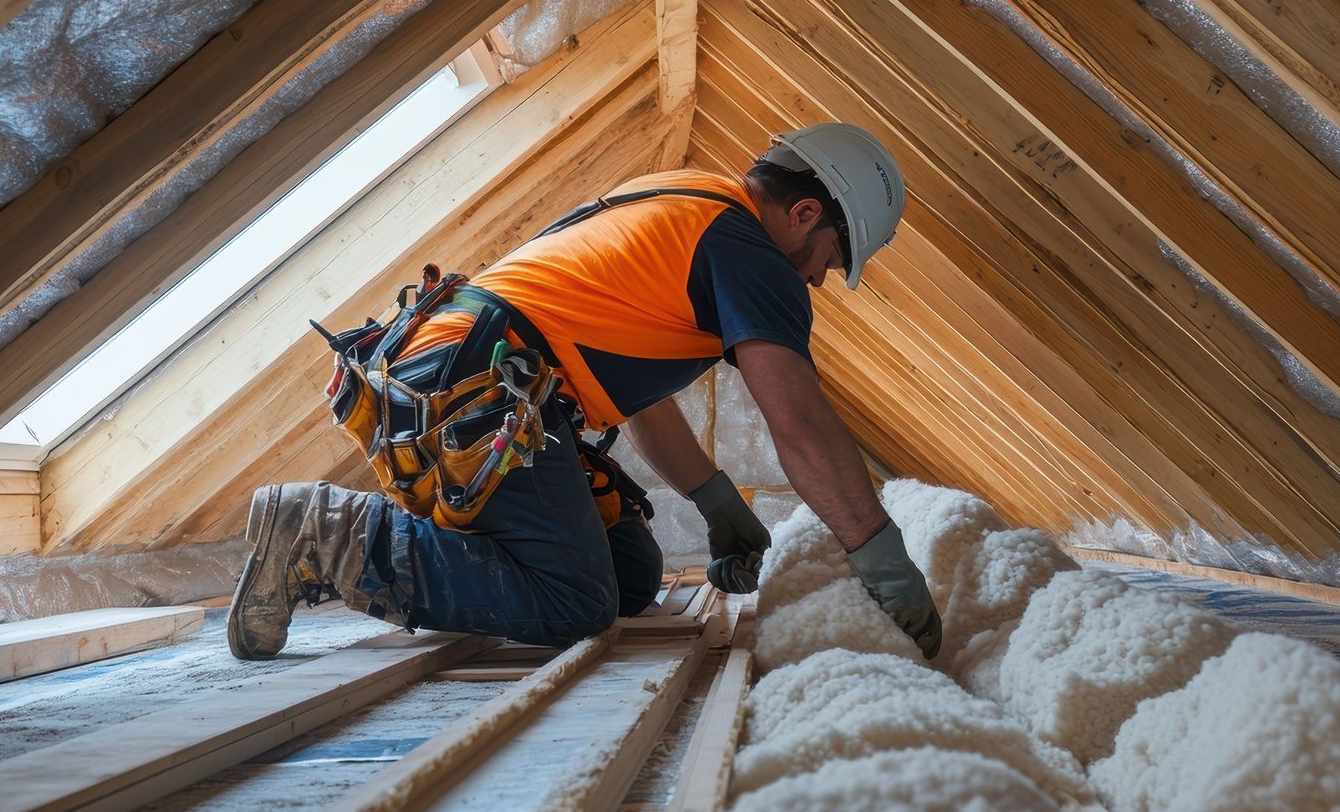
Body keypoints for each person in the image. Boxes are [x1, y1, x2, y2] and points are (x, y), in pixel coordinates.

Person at [226, 123, 943, 660]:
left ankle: (424, 544)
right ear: (807, 215)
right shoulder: (750, 253)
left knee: (631, 574)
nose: (817, 279)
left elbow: (640, 401)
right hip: (481, 390)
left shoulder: (686, 196)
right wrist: (880, 558)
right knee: (576, 602)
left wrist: (717, 505)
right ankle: (327, 531)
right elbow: (801, 426)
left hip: (460, 377)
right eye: (829, 260)